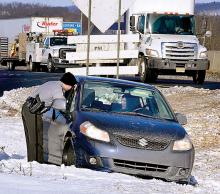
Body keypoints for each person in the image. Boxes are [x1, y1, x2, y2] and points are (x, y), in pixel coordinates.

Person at [21, 72, 77, 163]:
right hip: (33, 111)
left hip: (27, 108)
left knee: (32, 138)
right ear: (67, 84)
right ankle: (35, 163)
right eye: (72, 86)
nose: (71, 88)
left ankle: (33, 161)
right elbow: (62, 105)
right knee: (36, 139)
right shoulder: (57, 89)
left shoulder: (51, 83)